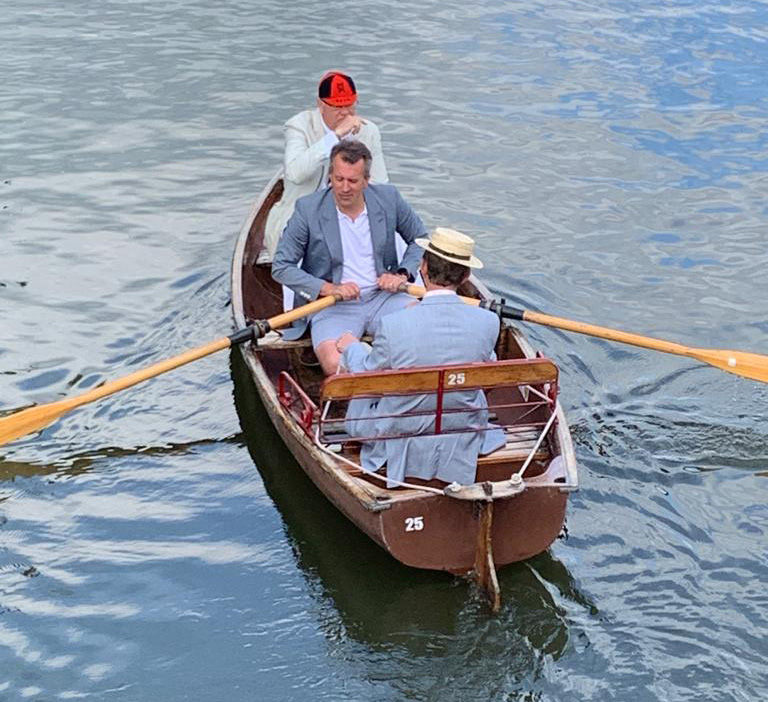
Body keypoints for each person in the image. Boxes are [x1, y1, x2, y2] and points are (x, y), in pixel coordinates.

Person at [337, 228, 507, 487]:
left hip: (402, 427)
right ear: (465, 276)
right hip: (460, 425)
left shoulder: (393, 325)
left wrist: (352, 347)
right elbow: (488, 364)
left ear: (423, 268)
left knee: (368, 378)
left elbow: (365, 374)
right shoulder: (489, 321)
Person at [271, 140, 425, 375]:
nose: (344, 188)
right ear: (330, 176)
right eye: (338, 179)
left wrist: (402, 274)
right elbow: (281, 267)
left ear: (366, 180)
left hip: (385, 297)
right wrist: (328, 288)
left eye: (353, 181)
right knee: (334, 365)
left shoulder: (389, 198)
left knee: (423, 340)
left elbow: (420, 239)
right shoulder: (307, 209)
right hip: (333, 305)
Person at [263, 71, 388, 260]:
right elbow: (295, 173)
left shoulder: (369, 131)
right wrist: (334, 136)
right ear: (321, 105)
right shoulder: (298, 126)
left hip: (351, 216)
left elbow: (380, 185)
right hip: (302, 220)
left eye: (349, 105)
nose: (345, 112)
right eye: (338, 106)